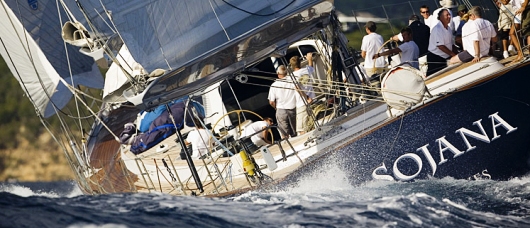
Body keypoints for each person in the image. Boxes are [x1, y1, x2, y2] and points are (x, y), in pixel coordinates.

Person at [268, 65, 297, 139]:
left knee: (284, 133)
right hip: (292, 108)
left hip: (281, 109)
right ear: (286, 73)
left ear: (278, 74)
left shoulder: (274, 85)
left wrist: (275, 107)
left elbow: (271, 102)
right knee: (295, 130)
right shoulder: (292, 81)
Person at [290, 53, 316, 135]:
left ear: (292, 66)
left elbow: (297, 88)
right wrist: (309, 59)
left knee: (301, 130)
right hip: (313, 99)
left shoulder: (293, 75)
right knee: (312, 123)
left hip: (302, 103)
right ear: (300, 63)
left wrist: (307, 97)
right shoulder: (307, 70)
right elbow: (311, 66)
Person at [426, 8, 457, 76]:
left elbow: (451, 44)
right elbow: (440, 46)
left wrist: (457, 54)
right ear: (441, 17)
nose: (449, 17)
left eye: (449, 15)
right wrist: (453, 55)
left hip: (444, 57)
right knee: (433, 77)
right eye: (447, 15)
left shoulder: (448, 28)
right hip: (435, 57)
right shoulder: (437, 29)